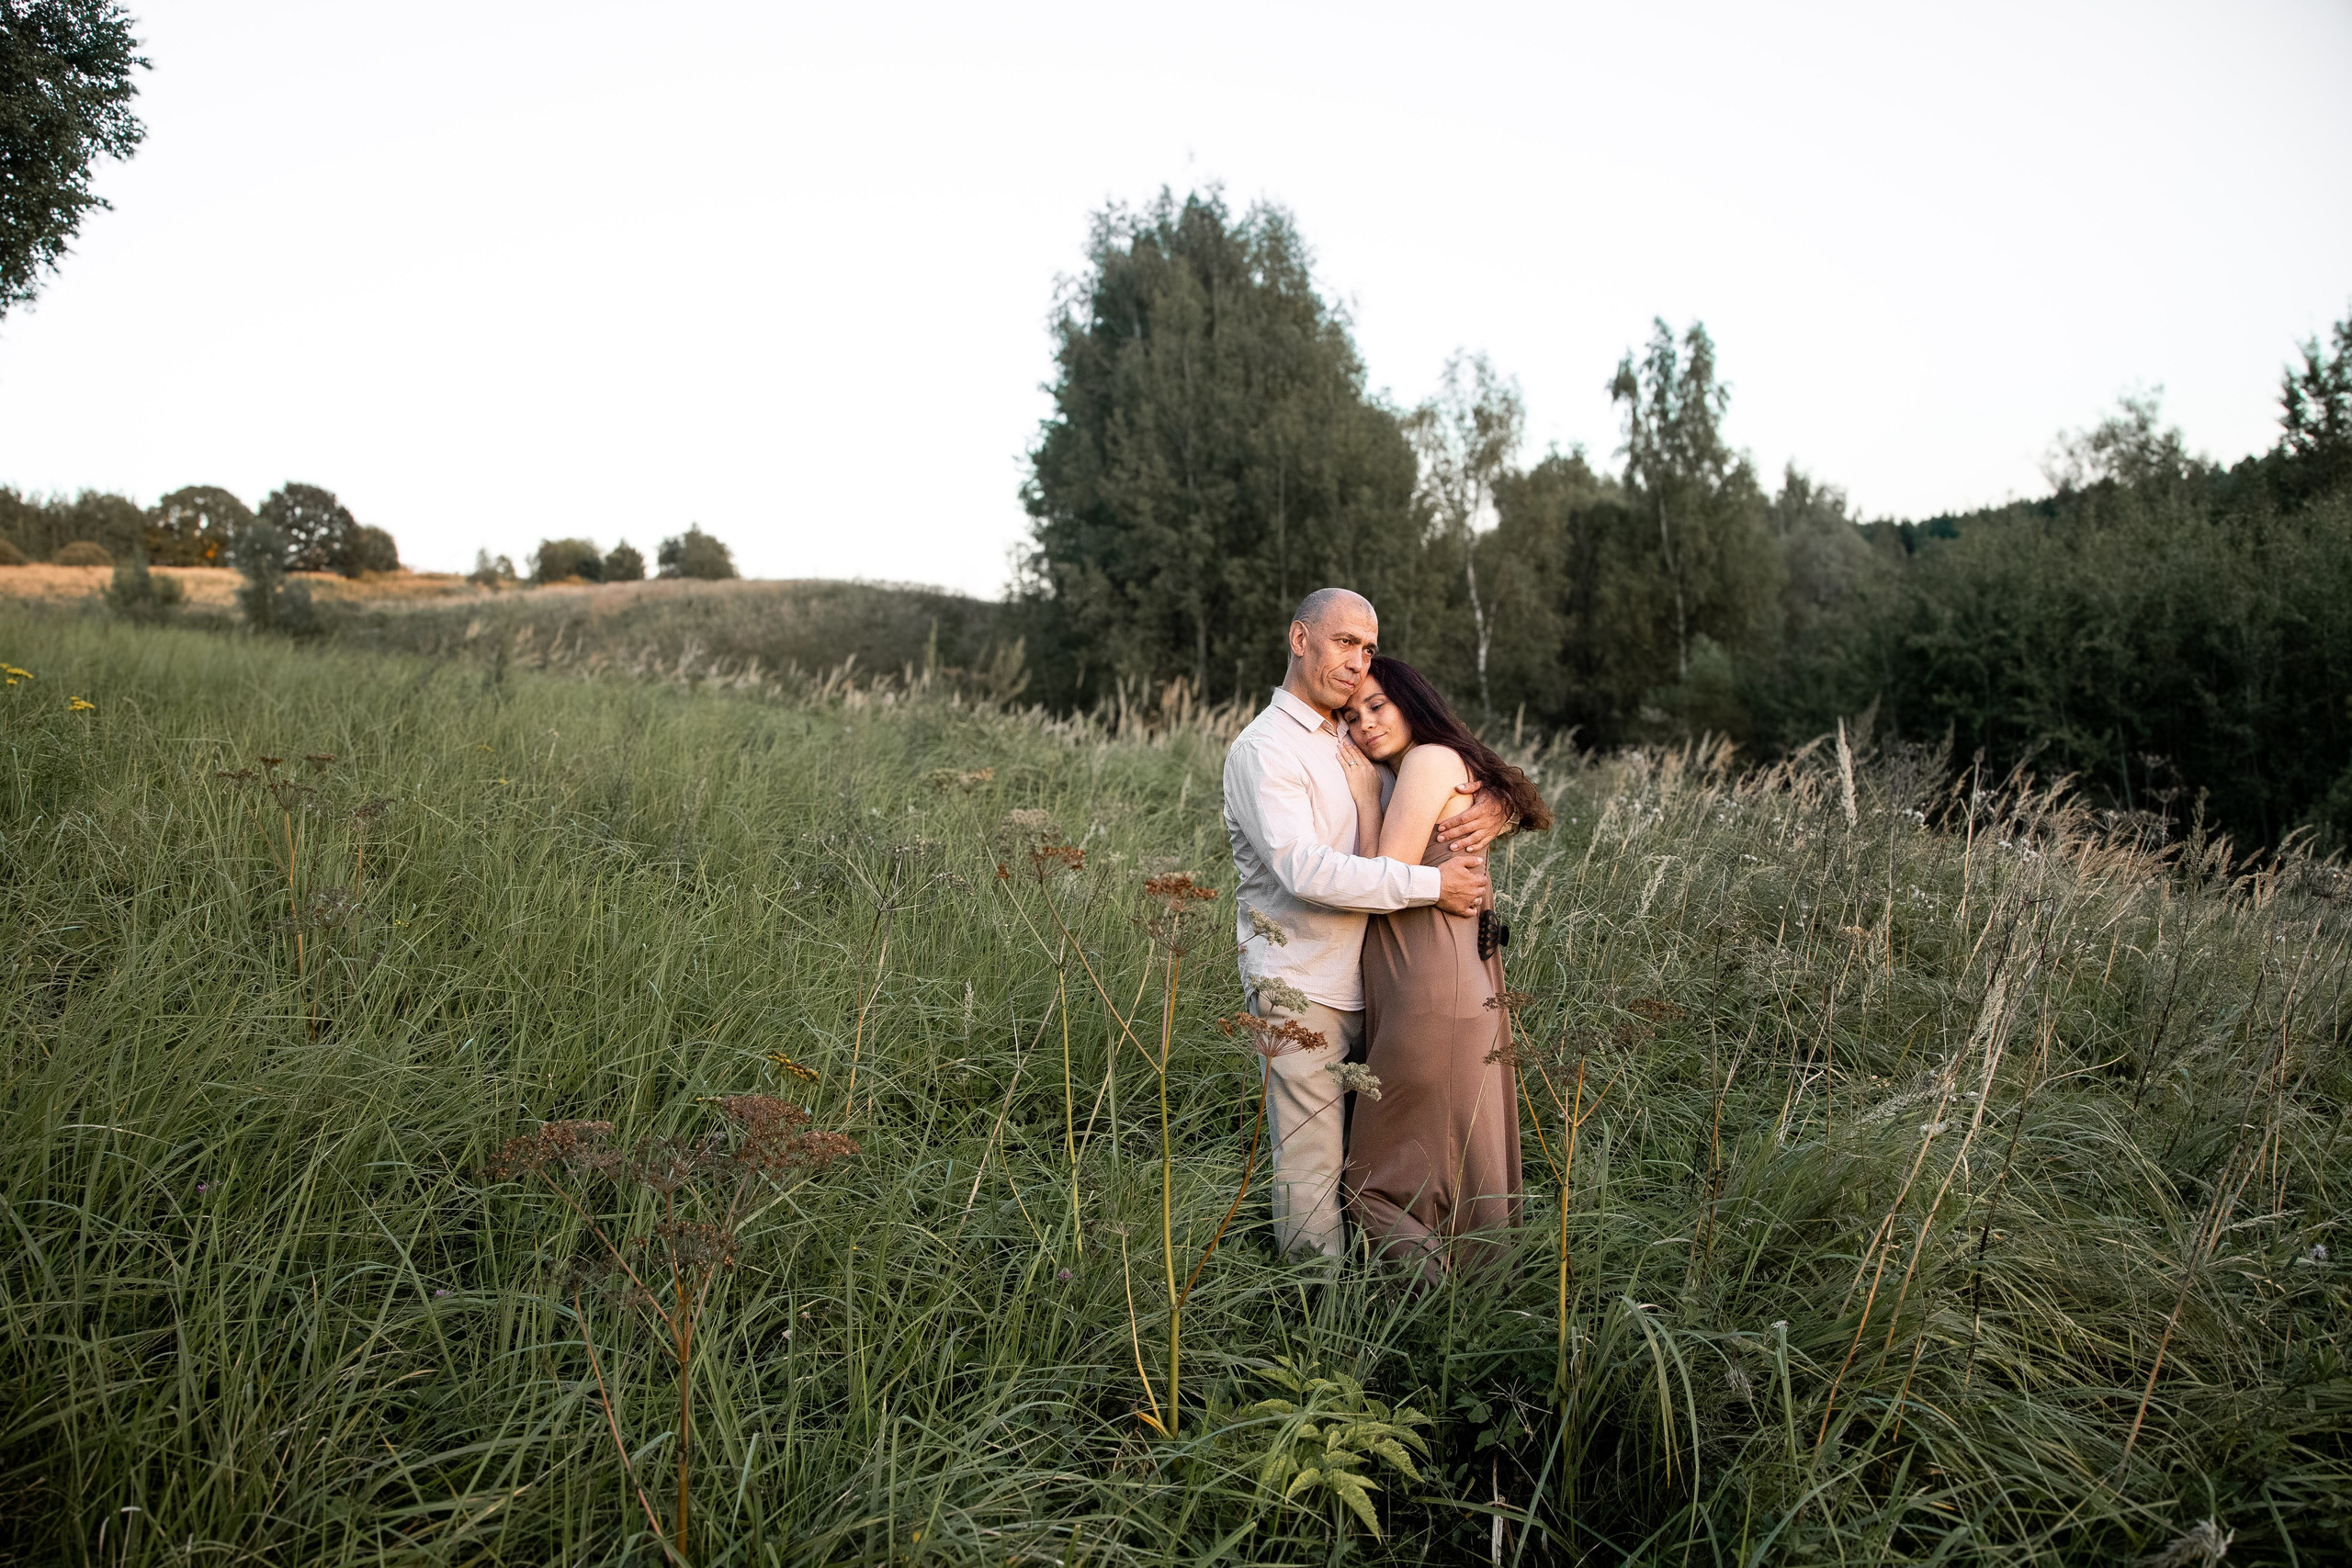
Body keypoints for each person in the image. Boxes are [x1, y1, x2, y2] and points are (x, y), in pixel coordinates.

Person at [1222, 589, 1512, 1261]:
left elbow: (1443, 773)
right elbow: (1305, 869)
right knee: (1313, 1170)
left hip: (1384, 994)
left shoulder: (1354, 741)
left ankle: (1394, 1301)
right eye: (1344, 641)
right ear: (1300, 639)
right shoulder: (1266, 750)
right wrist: (1433, 884)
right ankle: (1318, 1322)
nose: (1358, 661)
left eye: (1369, 648)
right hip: (1304, 989)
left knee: (1380, 1162)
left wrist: (1500, 797)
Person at [1338, 655, 1554, 1282]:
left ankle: (1430, 1309)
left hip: (1428, 990)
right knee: (1456, 1158)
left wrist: (1361, 797)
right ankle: (1474, 1307)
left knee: (1372, 1183)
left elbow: (1387, 869)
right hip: (1448, 982)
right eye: (1352, 716)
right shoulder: (1431, 765)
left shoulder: (1429, 761)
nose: (1365, 723)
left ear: (1415, 702)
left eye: (1378, 705)